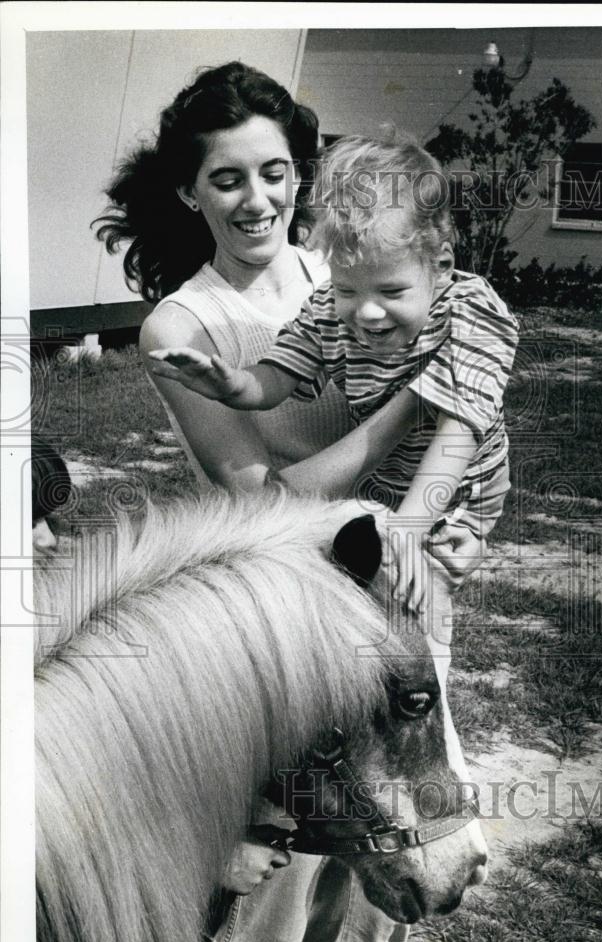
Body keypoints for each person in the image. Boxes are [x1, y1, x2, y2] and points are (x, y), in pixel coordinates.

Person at [94, 62, 423, 942]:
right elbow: (262, 503)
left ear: (301, 174)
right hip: (277, 624)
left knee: (384, 878)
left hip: (394, 587)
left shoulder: (350, 274)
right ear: (188, 191)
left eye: (273, 172)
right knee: (274, 892)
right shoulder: (182, 326)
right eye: (227, 178)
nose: (255, 199)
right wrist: (407, 409)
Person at [149, 133, 520, 654]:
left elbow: (457, 433)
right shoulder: (328, 309)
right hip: (387, 495)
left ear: (439, 263)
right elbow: (278, 374)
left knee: (410, 631)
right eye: (348, 289)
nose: (366, 312)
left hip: (457, 496)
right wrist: (232, 384)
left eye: (392, 292)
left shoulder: (473, 310)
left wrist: (411, 529)